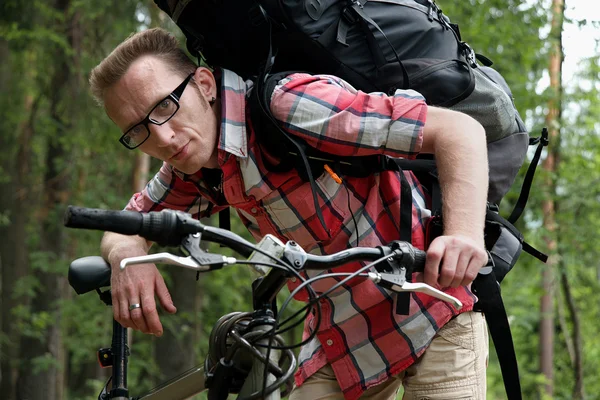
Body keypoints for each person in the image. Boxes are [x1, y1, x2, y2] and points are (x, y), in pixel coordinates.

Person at [90, 27, 490, 400]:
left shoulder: (290, 107)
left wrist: (465, 236)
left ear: (204, 85)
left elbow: (458, 131)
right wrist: (126, 255)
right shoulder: (192, 166)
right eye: (137, 130)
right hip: (341, 343)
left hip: (431, 310)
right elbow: (123, 224)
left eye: (166, 106)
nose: (161, 136)